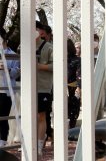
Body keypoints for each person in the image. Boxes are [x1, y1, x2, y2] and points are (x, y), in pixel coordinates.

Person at [35, 21, 53, 156]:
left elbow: (57, 65)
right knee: (30, 116)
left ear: (41, 32)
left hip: (43, 87)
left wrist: (40, 66)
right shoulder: (23, 46)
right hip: (27, 87)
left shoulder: (48, 47)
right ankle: (30, 143)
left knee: (41, 115)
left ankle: (39, 145)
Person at [0, 29, 20, 148]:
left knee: (3, 117)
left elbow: (16, 73)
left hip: (6, 90)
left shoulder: (12, 54)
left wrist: (6, 68)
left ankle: (2, 143)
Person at [67, 38, 81, 128]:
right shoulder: (57, 58)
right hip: (60, 88)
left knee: (74, 111)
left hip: (74, 87)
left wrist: (79, 87)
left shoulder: (77, 59)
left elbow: (80, 75)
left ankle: (71, 130)